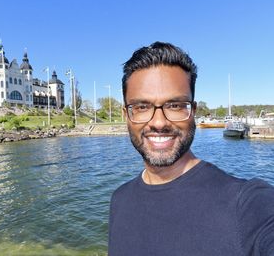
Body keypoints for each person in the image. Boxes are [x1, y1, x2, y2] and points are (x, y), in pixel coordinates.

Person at [108, 41, 274, 256]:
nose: (159, 122)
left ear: (193, 111)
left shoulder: (248, 204)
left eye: (175, 106)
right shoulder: (119, 199)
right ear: (126, 116)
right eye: (141, 107)